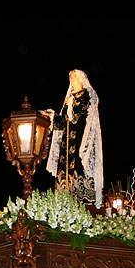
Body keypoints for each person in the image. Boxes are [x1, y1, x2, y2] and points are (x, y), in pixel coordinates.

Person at [46, 69, 104, 208]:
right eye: (71, 78)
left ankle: (82, 200)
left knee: (79, 166)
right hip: (66, 143)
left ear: (82, 80)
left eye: (75, 77)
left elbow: (81, 113)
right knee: (64, 171)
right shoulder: (68, 101)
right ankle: (63, 201)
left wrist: (73, 101)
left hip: (79, 140)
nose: (72, 80)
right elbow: (62, 122)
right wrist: (51, 117)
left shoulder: (87, 95)